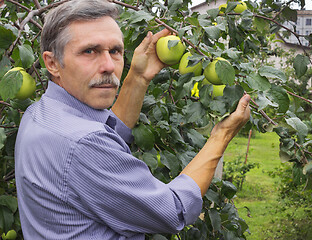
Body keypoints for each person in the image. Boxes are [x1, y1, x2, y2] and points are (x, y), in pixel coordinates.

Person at [14, 0, 251, 239]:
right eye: (89, 51)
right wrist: (221, 136)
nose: (109, 66)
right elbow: (173, 211)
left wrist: (138, 77)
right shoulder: (83, 144)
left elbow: (109, 134)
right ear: (53, 63)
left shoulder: (39, 114)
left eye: (115, 51)